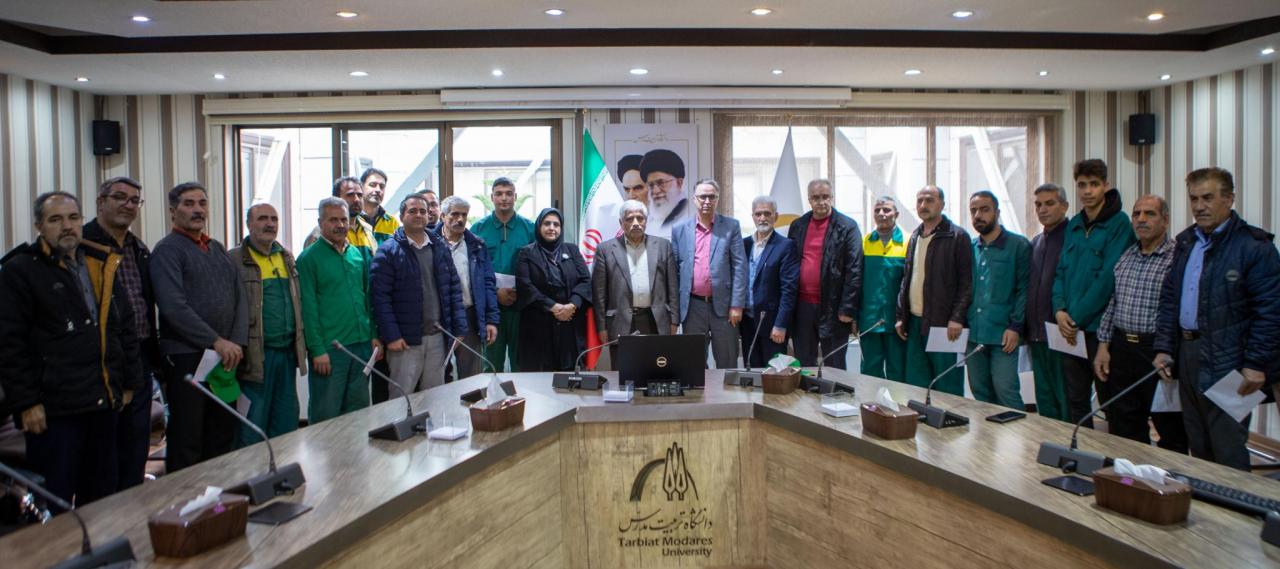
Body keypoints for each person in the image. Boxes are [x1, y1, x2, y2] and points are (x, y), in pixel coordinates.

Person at [0, 192, 142, 509]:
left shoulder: (101, 263)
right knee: (56, 502)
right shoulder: (19, 270)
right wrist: (26, 403)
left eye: (73, 218)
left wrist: (128, 382)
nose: (67, 226)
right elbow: (9, 344)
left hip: (102, 402)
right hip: (53, 411)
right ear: (39, 226)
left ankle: (100, 545)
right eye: (55, 219)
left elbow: (124, 327)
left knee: (101, 497)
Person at [1154, 168, 1280, 470]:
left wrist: (1256, 364)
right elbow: (1170, 300)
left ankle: (1237, 502)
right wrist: (1163, 347)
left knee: (1227, 447)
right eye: (1194, 199)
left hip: (1231, 359)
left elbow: (1270, 311)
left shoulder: (1254, 246)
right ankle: (1206, 500)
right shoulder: (1187, 242)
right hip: (1188, 353)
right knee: (1198, 443)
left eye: (1207, 198)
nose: (1199, 206)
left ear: (1229, 199)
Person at [150, 182, 247, 472]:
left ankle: (217, 495)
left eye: (202, 203)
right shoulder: (167, 251)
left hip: (225, 357)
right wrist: (216, 340)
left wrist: (236, 342)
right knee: (188, 437)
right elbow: (173, 307)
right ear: (173, 211)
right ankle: (186, 497)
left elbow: (239, 297)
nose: (197, 210)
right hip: (187, 357)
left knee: (221, 433)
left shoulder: (216, 248)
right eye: (189, 204)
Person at [1093, 196, 1187, 452]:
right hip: (1122, 348)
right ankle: (1131, 474)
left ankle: (1168, 476)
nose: (1141, 220)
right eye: (1136, 214)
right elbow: (1114, 301)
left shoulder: (1176, 258)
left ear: (1165, 220)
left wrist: (1166, 350)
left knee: (1169, 427)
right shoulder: (1127, 256)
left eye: (1149, 214)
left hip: (1156, 351)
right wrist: (1103, 345)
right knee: (1124, 425)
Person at [82, 176, 156, 490]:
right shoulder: (82, 245)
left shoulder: (138, 249)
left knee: (135, 444)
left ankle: (132, 507)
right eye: (120, 197)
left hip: (138, 355)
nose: (128, 205)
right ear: (101, 202)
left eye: (134, 200)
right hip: (99, 359)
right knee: (102, 453)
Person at [1052, 159, 1135, 426]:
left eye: (1094, 184)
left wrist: (1074, 317)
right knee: (1076, 400)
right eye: (1082, 185)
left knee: (1111, 403)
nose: (1087, 191)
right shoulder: (1075, 224)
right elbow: (1061, 271)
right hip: (1069, 329)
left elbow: (1107, 279)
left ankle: (1114, 453)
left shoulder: (1120, 224)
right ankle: (1082, 450)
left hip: (1100, 331)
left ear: (1105, 186)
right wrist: (1059, 310)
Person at [370, 194, 467, 396]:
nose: (419, 215)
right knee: (401, 399)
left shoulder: (439, 246)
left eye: (423, 211)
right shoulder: (388, 251)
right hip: (405, 340)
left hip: (438, 337)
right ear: (402, 216)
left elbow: (453, 288)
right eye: (412, 211)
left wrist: (458, 328)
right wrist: (392, 336)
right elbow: (380, 299)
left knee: (435, 396)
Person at [298, 197, 382, 424]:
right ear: (320, 222)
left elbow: (366, 299)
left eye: (344, 220)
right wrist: (317, 350)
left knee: (358, 414)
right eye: (333, 220)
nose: (340, 225)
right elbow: (308, 308)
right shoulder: (308, 259)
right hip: (330, 349)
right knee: (326, 415)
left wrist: (373, 335)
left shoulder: (355, 254)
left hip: (361, 346)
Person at [229, 203, 307, 445]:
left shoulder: (286, 257)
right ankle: (250, 471)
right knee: (252, 426)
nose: (270, 224)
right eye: (263, 218)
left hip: (286, 356)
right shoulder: (234, 259)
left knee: (285, 423)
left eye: (274, 219)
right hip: (254, 358)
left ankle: (281, 469)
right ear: (249, 224)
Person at [895, 186, 972, 396]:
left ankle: (949, 419)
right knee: (916, 385)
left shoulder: (957, 236)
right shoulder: (915, 236)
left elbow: (967, 282)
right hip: (915, 322)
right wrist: (901, 316)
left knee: (947, 385)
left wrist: (957, 317)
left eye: (929, 200)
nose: (923, 205)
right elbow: (907, 279)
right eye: (919, 201)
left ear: (942, 204)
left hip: (944, 325)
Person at [591, 200, 680, 366]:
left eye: (640, 218)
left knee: (657, 369)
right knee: (623, 370)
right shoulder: (605, 250)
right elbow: (599, 294)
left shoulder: (663, 246)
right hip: (620, 321)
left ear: (646, 221)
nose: (636, 223)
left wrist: (674, 320)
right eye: (629, 219)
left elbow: (672, 287)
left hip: (656, 320)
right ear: (621, 223)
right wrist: (601, 327)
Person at [672, 179, 747, 368]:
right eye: (702, 197)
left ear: (717, 199)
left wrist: (737, 305)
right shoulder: (679, 230)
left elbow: (740, 267)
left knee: (727, 361)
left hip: (724, 307)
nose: (707, 201)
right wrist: (676, 310)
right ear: (694, 199)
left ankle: (727, 390)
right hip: (692, 307)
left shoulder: (731, 227)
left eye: (711, 197)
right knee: (694, 362)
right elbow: (675, 271)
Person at [966, 191, 1031, 410]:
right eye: (973, 211)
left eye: (984, 209)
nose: (978, 215)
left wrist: (1016, 326)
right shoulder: (970, 248)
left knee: (1006, 391)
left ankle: (1019, 433)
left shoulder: (1018, 245)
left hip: (1004, 334)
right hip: (974, 334)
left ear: (997, 212)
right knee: (980, 392)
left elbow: (1024, 289)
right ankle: (988, 434)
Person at [788, 179, 862, 369]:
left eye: (825, 197)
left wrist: (847, 308)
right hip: (802, 308)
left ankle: (834, 391)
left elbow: (854, 269)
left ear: (832, 197)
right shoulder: (798, 225)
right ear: (809, 200)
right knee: (804, 364)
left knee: (834, 365)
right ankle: (807, 390)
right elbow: (790, 265)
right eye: (816, 197)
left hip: (834, 308)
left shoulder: (847, 226)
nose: (821, 202)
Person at [471, 177, 535, 372]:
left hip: (521, 307)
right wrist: (495, 292)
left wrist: (521, 291)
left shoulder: (530, 228)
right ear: (492, 197)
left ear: (515, 196)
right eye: (499, 194)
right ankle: (491, 394)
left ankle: (521, 394)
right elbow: (472, 272)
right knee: (491, 365)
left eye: (508, 194)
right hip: (491, 308)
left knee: (521, 364)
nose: (504, 198)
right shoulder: (478, 229)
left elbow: (538, 268)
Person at [516, 208, 593, 371]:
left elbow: (585, 280)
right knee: (539, 375)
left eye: (556, 225)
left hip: (570, 323)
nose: (552, 228)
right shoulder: (526, 253)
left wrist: (572, 305)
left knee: (570, 373)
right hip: (539, 324)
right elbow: (525, 285)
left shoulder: (572, 250)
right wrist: (553, 307)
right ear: (539, 226)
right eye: (547, 223)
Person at [437, 196, 499, 378]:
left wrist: (491, 320)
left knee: (472, 375)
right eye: (455, 214)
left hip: (470, 315)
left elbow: (488, 283)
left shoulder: (477, 245)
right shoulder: (431, 243)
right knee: (437, 374)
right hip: (440, 318)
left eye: (464, 215)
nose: (460, 219)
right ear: (442, 216)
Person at [1026, 184, 1071, 421]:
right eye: (1038, 205)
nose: (1042, 210)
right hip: (1037, 334)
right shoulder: (1036, 242)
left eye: (1049, 203)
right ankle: (1051, 442)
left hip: (1063, 334)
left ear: (1064, 206)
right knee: (1045, 401)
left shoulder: (1073, 239)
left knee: (1066, 400)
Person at [741, 195, 798, 367]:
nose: (762, 218)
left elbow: (789, 290)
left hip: (772, 325)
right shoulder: (744, 245)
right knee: (751, 373)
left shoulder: (786, 246)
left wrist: (780, 324)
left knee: (774, 374)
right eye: (758, 214)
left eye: (767, 213)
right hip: (747, 323)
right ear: (752, 216)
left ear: (776, 216)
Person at [859, 196, 908, 381]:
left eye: (886, 210)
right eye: (877, 210)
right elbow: (856, 281)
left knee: (898, 371)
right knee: (870, 371)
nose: (881, 214)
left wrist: (904, 317)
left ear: (897, 214)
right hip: (869, 320)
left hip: (897, 322)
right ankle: (871, 401)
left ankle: (897, 402)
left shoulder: (908, 242)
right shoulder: (865, 242)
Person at [304, 177, 377, 253]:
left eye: (360, 195)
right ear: (336, 198)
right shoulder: (321, 233)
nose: (356, 199)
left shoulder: (367, 228)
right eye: (350, 195)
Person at [639, 149, 688, 237]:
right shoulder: (649, 221)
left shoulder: (688, 216)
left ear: (679, 183)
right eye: (651, 185)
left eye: (661, 183)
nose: (655, 191)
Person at [359, 167, 401, 245]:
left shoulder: (392, 223)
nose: (378, 190)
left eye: (382, 186)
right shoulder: (351, 219)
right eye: (372, 185)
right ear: (361, 187)